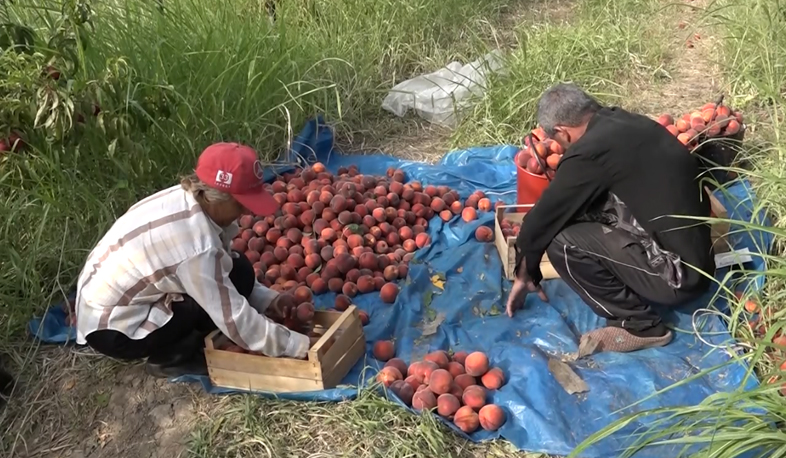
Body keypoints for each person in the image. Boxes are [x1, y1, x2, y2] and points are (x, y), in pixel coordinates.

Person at [75, 142, 323, 378]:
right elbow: (233, 317)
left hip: (113, 299)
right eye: (241, 204)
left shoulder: (190, 198)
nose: (246, 212)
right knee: (204, 306)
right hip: (115, 328)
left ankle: (177, 336)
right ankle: (171, 358)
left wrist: (269, 301)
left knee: (240, 272)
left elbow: (224, 266)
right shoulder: (195, 247)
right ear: (216, 196)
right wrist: (298, 346)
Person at [506, 83, 715, 355]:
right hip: (699, 258)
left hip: (678, 276)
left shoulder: (589, 152)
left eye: (556, 141)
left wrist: (526, 270)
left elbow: (543, 219)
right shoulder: (626, 122)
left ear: (562, 132)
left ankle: (642, 325)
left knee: (562, 242)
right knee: (583, 206)